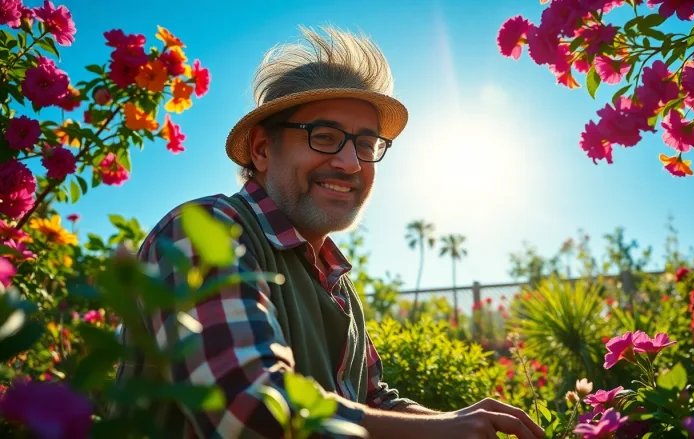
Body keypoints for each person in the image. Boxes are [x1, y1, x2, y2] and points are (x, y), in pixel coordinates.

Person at [115, 25, 545, 439]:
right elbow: (248, 411)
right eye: (324, 137)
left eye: (365, 144)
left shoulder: (334, 280)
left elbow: (372, 401)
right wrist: (438, 431)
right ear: (263, 149)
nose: (351, 164)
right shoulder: (210, 229)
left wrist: (455, 421)